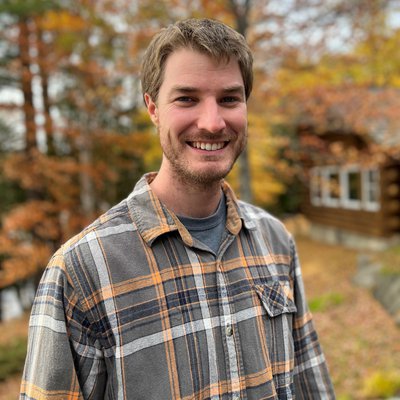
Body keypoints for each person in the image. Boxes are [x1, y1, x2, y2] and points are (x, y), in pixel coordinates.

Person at [20, 18, 335, 399]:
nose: (213, 122)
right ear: (153, 108)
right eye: (186, 99)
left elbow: (311, 385)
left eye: (229, 99)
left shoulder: (275, 240)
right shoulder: (82, 271)